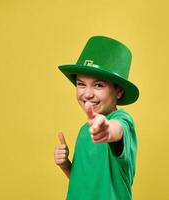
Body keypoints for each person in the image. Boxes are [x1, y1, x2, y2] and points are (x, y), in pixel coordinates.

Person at [54, 36, 140, 200]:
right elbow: (83, 183)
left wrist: (108, 129)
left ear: (119, 91)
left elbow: (117, 129)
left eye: (98, 85)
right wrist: (65, 165)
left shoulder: (122, 120)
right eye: (81, 84)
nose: (87, 93)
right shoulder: (83, 131)